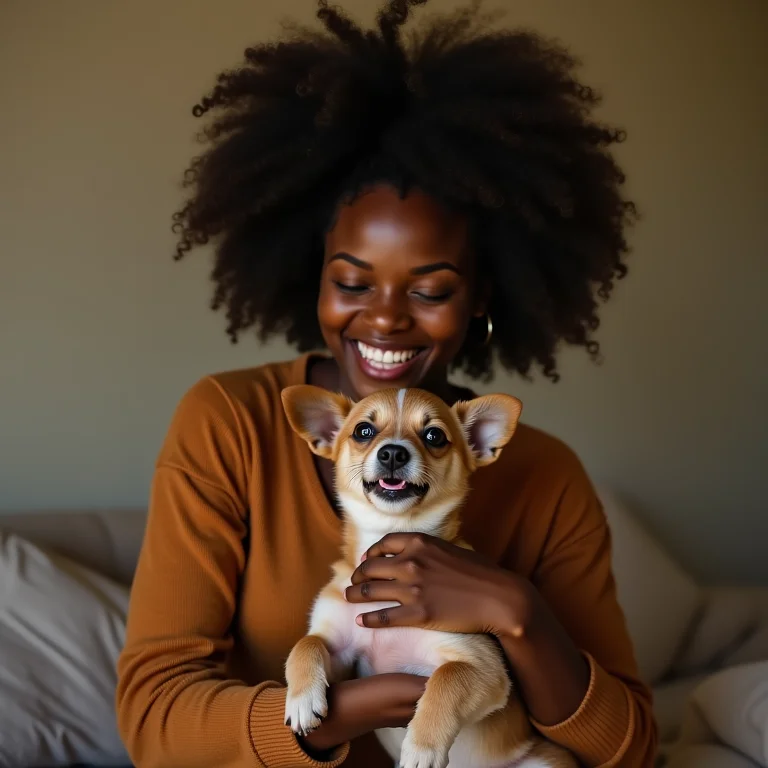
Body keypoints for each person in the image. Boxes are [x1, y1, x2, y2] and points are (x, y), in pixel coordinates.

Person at [116, 1, 657, 766]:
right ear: (311, 277)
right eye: (352, 282)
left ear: (482, 297)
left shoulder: (549, 476)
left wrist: (518, 611)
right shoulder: (229, 422)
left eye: (430, 290)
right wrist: (350, 709)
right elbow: (153, 719)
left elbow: (631, 749)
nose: (386, 319)